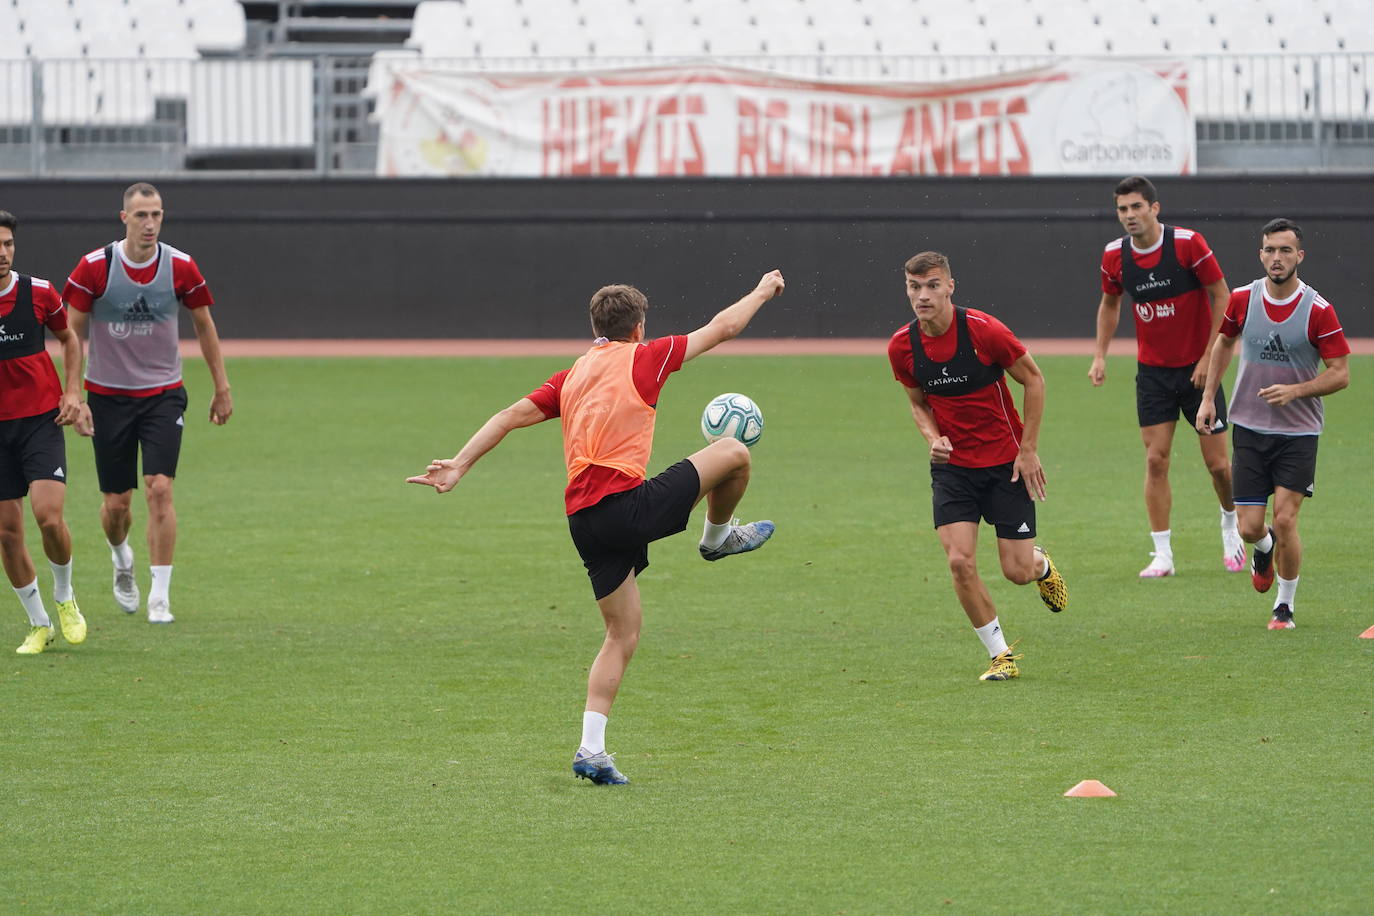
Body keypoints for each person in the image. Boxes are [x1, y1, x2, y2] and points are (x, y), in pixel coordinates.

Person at [408, 271, 785, 784]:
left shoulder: (571, 377)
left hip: (583, 521)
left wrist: (460, 463)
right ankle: (717, 538)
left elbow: (508, 415)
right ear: (639, 328)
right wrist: (763, 291)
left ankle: (591, 749)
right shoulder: (646, 357)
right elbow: (721, 328)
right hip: (624, 505)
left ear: (596, 328)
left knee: (621, 634)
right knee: (735, 454)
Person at [887, 251, 1067, 683]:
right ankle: (1000, 654)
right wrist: (934, 440)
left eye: (932, 285)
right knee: (959, 562)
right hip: (953, 471)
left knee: (1016, 571)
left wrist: (1028, 450)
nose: (923, 295)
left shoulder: (985, 331)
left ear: (950, 286)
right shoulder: (902, 346)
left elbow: (1035, 380)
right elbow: (917, 404)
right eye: (915, 287)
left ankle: (1041, 565)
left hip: (1006, 464)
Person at [61, 182, 233, 624]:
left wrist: (221, 387)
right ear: (124, 219)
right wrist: (74, 393)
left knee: (160, 488)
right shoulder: (95, 267)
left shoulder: (181, 266)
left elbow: (204, 325)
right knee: (117, 506)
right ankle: (122, 558)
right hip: (108, 397)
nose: (150, 223)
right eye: (141, 215)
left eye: (156, 214)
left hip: (162, 395)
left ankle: (160, 595)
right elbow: (69, 334)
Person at [1196, 219, 1350, 630]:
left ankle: (1284, 605)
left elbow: (1340, 373)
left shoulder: (1318, 309)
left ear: (1300, 256)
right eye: (1269, 250)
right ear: (1260, 254)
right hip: (1248, 426)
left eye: (1285, 250)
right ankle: (1263, 550)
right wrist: (1209, 398)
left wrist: (1297, 390)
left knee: (1285, 519)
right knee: (1249, 528)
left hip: (1298, 433)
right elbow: (1224, 342)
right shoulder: (1243, 299)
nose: (1276, 258)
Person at [1090, 174, 1244, 578]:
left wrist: (1210, 357)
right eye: (1122, 209)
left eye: (1136, 207)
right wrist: (1100, 356)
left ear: (1154, 208)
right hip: (1154, 375)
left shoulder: (1186, 244)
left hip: (1199, 376)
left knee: (1219, 467)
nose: (1129, 215)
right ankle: (1163, 554)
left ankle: (1230, 526)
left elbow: (1222, 295)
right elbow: (1110, 304)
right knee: (1156, 460)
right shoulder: (1114, 256)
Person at [0, 211, 88, 654]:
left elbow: (69, 339)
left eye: (8, 244)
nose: (2, 253)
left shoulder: (37, 292)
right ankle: (39, 624)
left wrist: (73, 391)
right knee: (6, 533)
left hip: (39, 421)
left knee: (48, 516)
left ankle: (65, 596)